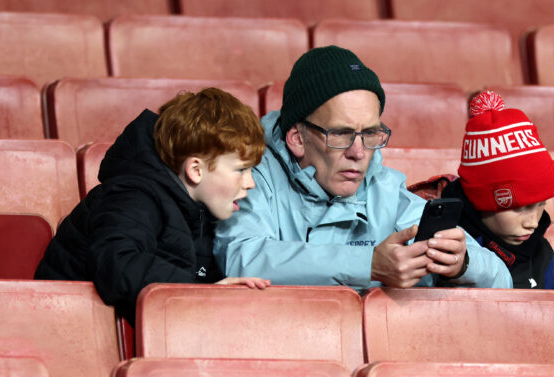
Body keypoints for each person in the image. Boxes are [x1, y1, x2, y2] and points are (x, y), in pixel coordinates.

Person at [213, 46, 511, 289]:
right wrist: (368, 265)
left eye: (369, 134)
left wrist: (461, 264)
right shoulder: (251, 176)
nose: (359, 153)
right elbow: (242, 258)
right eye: (341, 134)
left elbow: (501, 279)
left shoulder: (385, 189)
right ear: (297, 138)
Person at [35, 87, 270, 323]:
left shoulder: (197, 211)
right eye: (240, 170)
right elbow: (120, 265)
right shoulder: (132, 197)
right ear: (196, 170)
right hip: (65, 328)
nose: (250, 183)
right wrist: (202, 293)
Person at [438, 90, 554, 290]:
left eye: (541, 205)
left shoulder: (542, 254)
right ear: (480, 200)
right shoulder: (446, 245)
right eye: (520, 208)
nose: (533, 223)